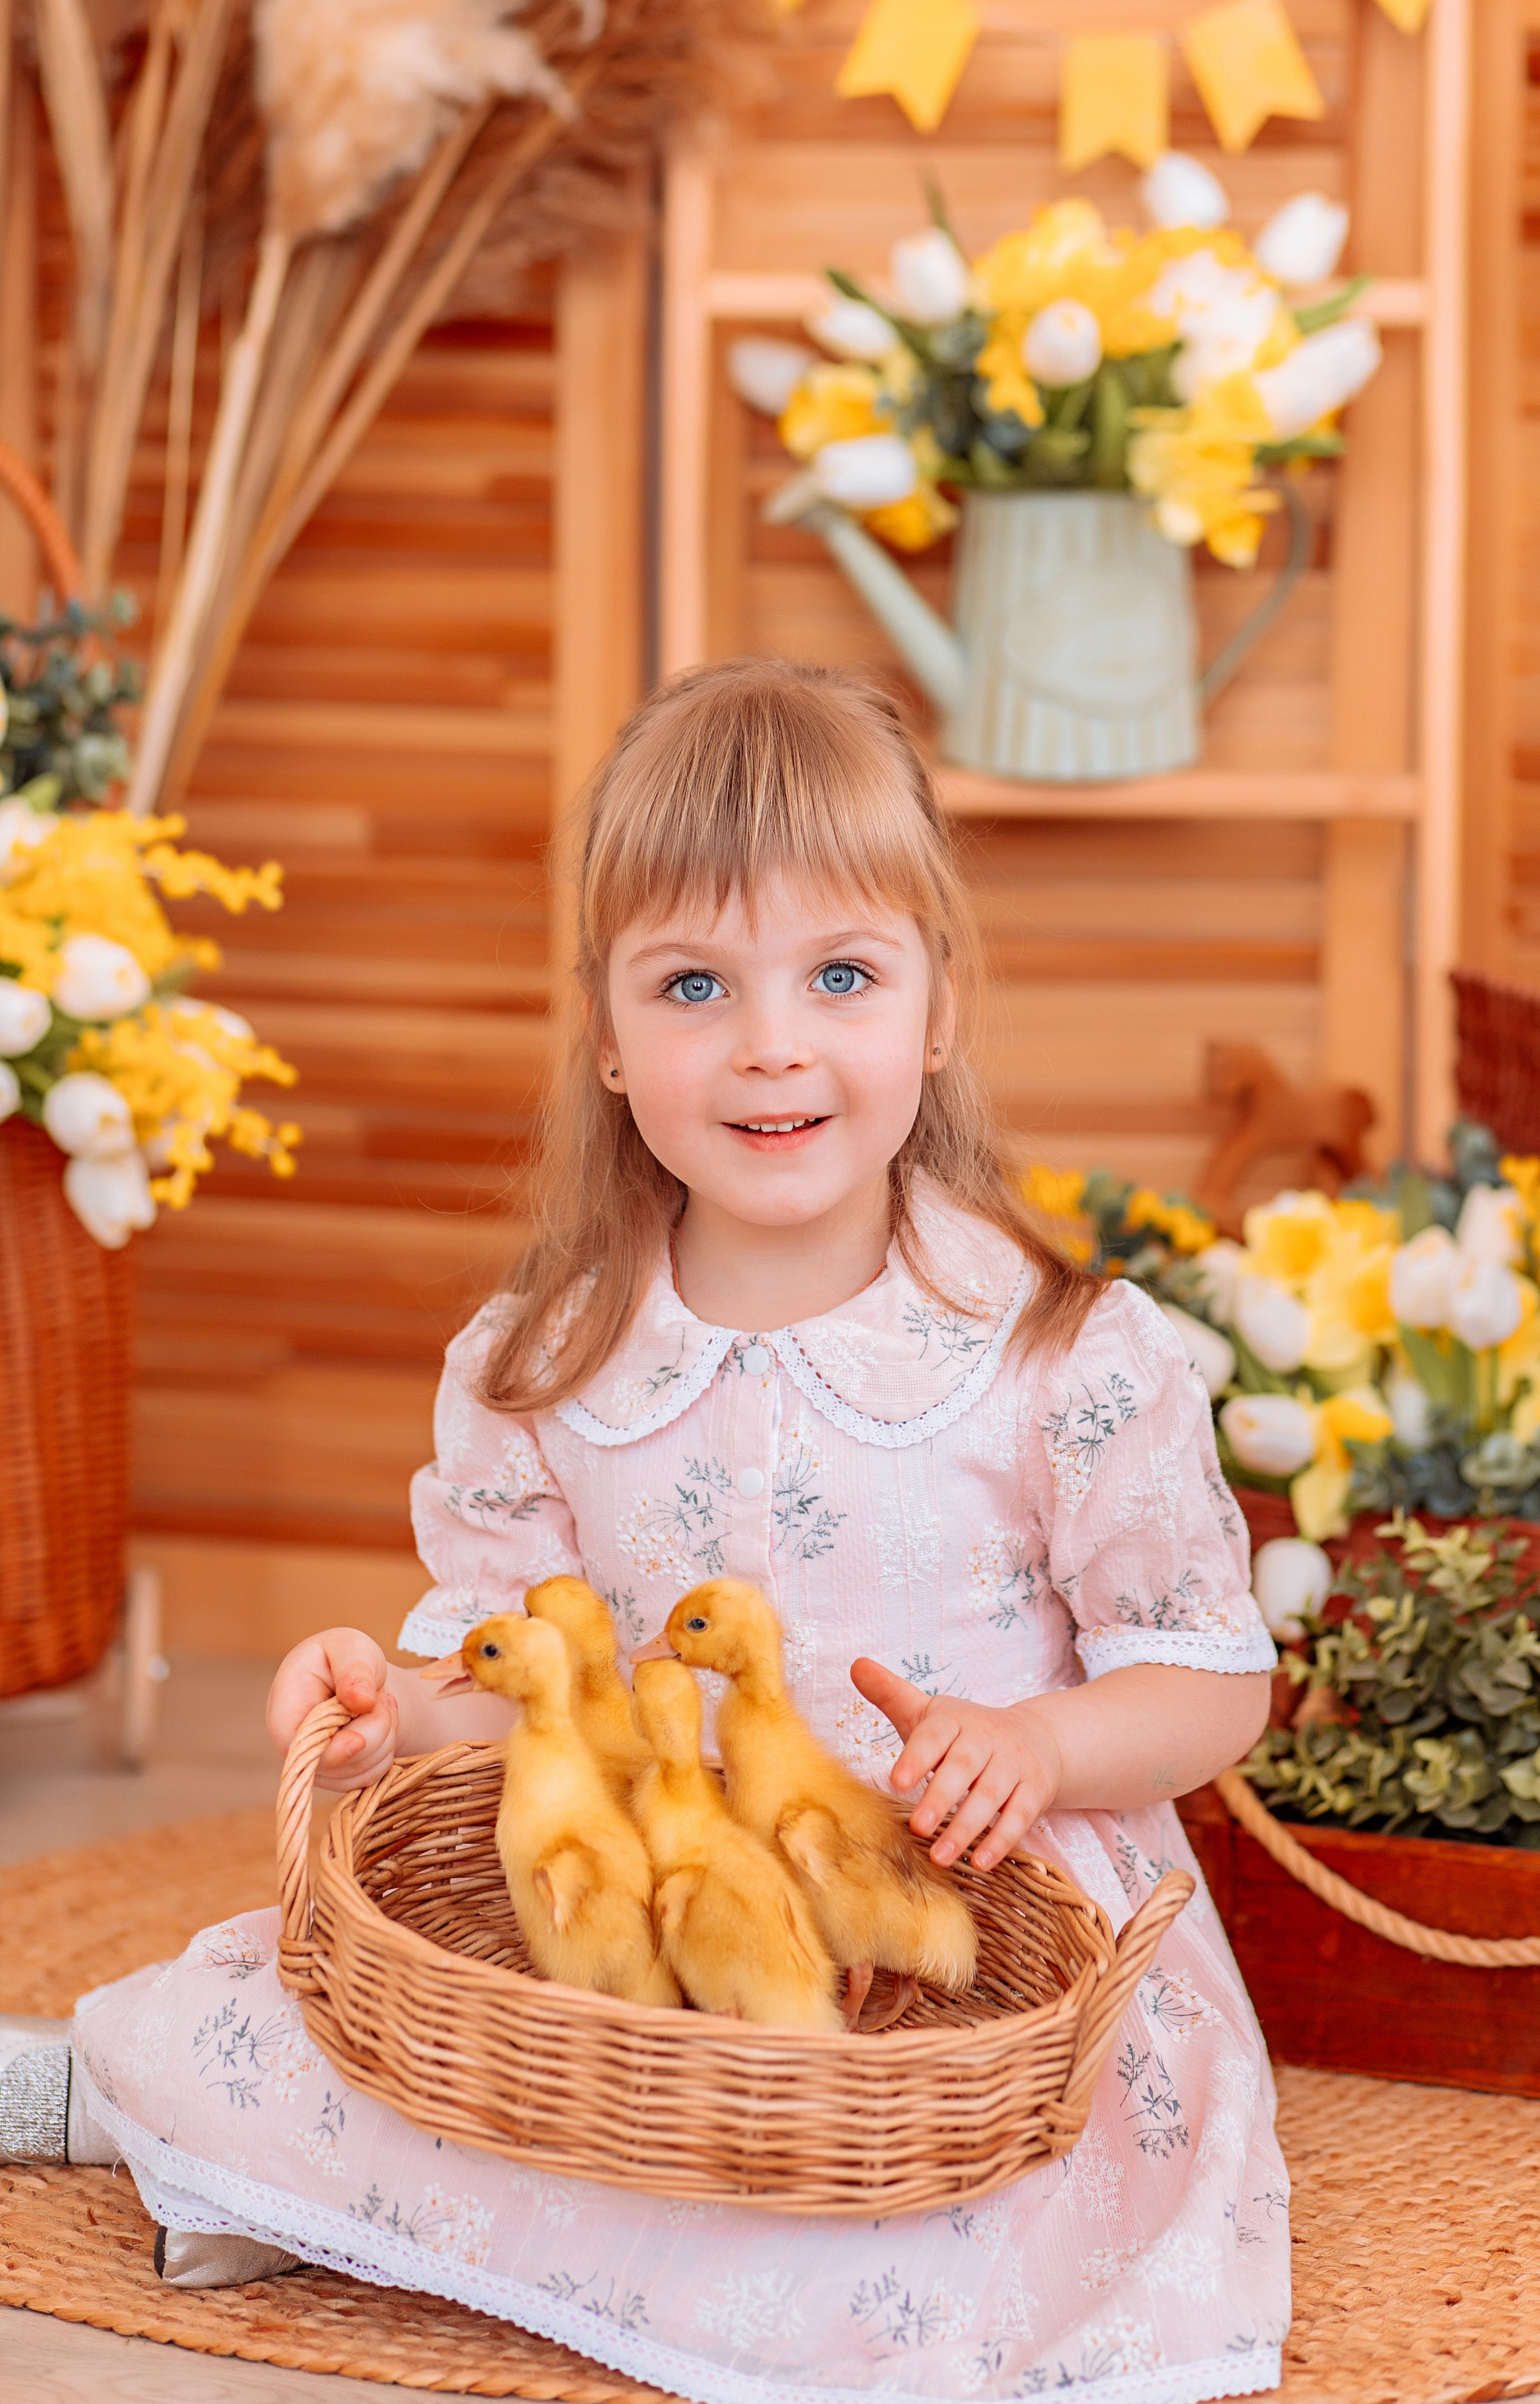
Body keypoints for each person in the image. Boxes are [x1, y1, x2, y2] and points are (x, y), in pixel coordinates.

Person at [22, 660, 1288, 2398]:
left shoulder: (1058, 1356)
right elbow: (505, 1692)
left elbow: (1206, 1679)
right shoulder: (547, 1366)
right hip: (651, 1920)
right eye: (696, 984)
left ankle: (363, 2206)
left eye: (839, 975)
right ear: (611, 1039)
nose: (771, 1042)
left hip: (969, 1951)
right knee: (282, 2012)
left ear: (934, 1009)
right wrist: (394, 1709)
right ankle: (165, 2113)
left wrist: (1042, 1742)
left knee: (979, 2215)